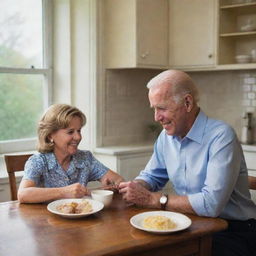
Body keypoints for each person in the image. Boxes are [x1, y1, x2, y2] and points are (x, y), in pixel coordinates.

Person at [119, 70, 256, 256]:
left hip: (234, 230)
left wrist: (151, 199)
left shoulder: (221, 136)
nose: (156, 117)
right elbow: (152, 176)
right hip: (192, 223)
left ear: (188, 103)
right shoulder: (165, 137)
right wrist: (134, 188)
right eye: (154, 109)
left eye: (162, 108)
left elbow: (211, 204)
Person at [18, 104, 124, 203]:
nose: (78, 137)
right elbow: (23, 194)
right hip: (47, 221)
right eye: (70, 132)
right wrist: (63, 192)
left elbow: (119, 180)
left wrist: (109, 188)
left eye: (79, 130)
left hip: (83, 220)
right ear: (50, 135)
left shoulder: (85, 158)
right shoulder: (38, 161)